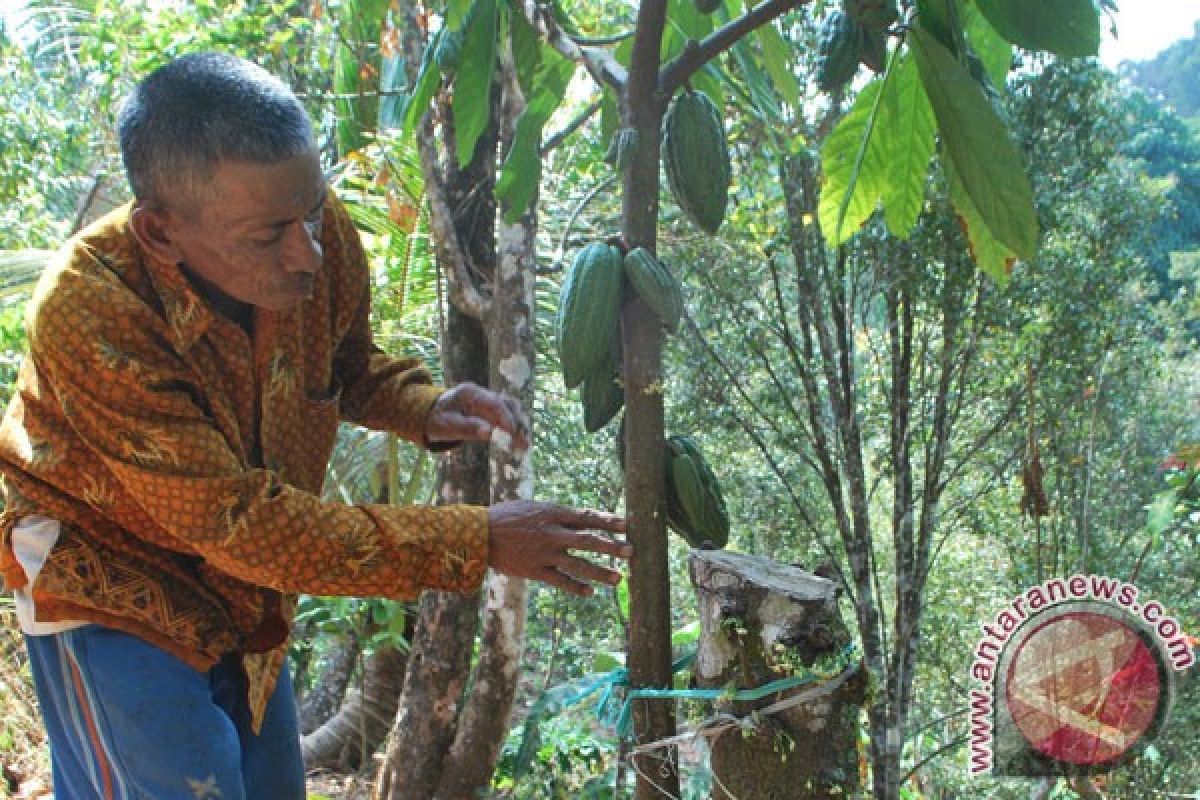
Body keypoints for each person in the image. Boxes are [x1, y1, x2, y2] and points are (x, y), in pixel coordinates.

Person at [0, 52, 629, 799]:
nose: (309, 252)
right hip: (108, 577)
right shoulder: (89, 309)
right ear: (161, 233)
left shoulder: (308, 225)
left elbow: (343, 360)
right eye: (270, 237)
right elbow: (237, 520)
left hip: (247, 590)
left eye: (309, 211)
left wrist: (419, 406)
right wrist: (478, 538)